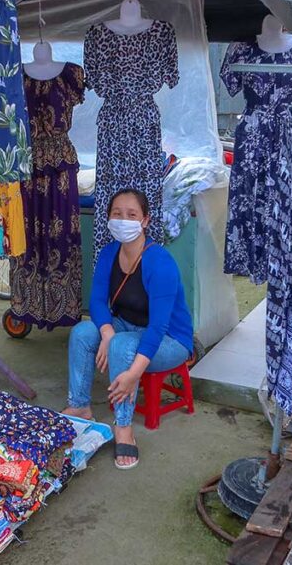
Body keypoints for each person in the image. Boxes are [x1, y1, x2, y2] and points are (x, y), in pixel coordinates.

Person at [63, 188, 193, 470]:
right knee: (84, 332)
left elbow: (158, 327)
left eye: (131, 215)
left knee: (122, 344)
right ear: (108, 218)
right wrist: (107, 332)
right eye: (117, 214)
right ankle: (80, 405)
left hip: (170, 340)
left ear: (145, 220)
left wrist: (133, 373)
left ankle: (124, 428)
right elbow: (96, 301)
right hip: (126, 327)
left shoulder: (160, 263)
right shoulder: (109, 254)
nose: (123, 220)